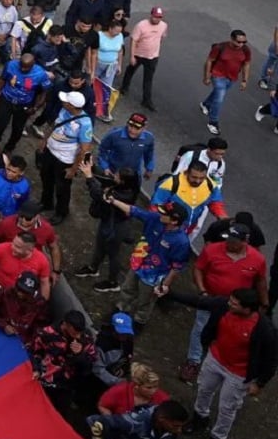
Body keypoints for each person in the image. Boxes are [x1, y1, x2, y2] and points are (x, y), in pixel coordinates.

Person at [171, 288, 277, 439]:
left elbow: (271, 360)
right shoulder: (223, 306)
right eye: (230, 301)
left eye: (234, 304)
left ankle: (218, 437)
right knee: (203, 390)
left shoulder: (265, 329)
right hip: (215, 359)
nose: (229, 304)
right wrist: (169, 292)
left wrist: (259, 383)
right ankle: (200, 418)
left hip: (239, 374)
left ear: (247, 309)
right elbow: (199, 302)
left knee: (227, 408)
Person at [178, 223, 270, 384]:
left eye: (234, 241)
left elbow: (260, 281)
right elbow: (198, 268)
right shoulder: (212, 249)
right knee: (200, 328)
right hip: (211, 299)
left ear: (245, 241)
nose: (229, 244)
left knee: (228, 332)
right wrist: (202, 291)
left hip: (236, 307)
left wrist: (264, 302)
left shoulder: (257, 259)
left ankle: (219, 363)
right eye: (229, 239)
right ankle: (193, 361)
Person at [107, 195, 192, 333]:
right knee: (127, 288)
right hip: (138, 263)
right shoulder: (155, 219)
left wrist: (165, 285)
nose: (160, 214)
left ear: (174, 221)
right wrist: (114, 201)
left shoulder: (181, 242)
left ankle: (139, 322)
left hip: (154, 276)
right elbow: (134, 211)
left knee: (145, 301)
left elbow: (177, 266)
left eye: (164, 214)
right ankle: (120, 310)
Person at [75, 159, 142, 293]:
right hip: (109, 221)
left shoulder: (123, 195)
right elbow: (106, 179)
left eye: (117, 176)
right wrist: (93, 168)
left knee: (113, 254)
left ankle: (113, 282)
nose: (114, 176)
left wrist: (89, 177)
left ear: (123, 181)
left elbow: (99, 195)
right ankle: (93, 268)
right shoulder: (126, 186)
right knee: (100, 245)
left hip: (116, 226)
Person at [37, 90, 92, 224]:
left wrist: (73, 169)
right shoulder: (63, 111)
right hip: (51, 151)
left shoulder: (85, 124)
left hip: (65, 159)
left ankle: (61, 212)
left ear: (72, 106)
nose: (63, 102)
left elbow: (85, 149)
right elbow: (53, 126)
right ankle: (46, 202)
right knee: (46, 177)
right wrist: (44, 141)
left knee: (62, 187)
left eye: (66, 101)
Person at [29, 310, 96, 413]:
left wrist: (80, 354)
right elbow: (35, 352)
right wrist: (36, 369)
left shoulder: (85, 339)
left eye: (79, 333)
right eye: (74, 333)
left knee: (59, 411)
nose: (77, 336)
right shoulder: (47, 333)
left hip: (67, 386)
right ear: (66, 325)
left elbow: (88, 368)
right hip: (45, 380)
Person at [201, 30, 251, 136]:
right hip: (218, 75)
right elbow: (209, 61)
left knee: (217, 93)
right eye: (238, 42)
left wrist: (244, 80)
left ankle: (205, 104)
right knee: (219, 99)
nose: (241, 44)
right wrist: (207, 77)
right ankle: (213, 122)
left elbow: (246, 64)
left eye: (244, 42)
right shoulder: (220, 47)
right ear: (231, 39)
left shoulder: (245, 50)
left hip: (232, 78)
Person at [0, 270, 50, 345]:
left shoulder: (39, 305)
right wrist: (3, 325)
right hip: (1, 334)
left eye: (25, 292)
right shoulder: (5, 293)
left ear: (33, 292)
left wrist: (32, 341)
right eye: (19, 289)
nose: (20, 293)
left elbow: (42, 325)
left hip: (23, 343)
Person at [121, 7, 168, 111]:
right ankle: (124, 87)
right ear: (151, 15)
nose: (157, 19)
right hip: (139, 54)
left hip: (153, 56)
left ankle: (146, 100)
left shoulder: (163, 25)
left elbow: (161, 38)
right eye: (156, 17)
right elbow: (134, 40)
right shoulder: (141, 25)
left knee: (148, 79)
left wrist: (156, 49)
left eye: (159, 17)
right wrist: (132, 56)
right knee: (130, 71)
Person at [0, 231, 53, 300]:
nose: (12, 247)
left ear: (29, 250)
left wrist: (42, 303)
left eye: (17, 247)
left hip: (21, 299)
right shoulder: (2, 248)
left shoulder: (42, 261)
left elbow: (44, 283)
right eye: (13, 243)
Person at [86, 400, 191, 439]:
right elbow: (94, 421)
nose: (179, 431)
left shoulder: (170, 430)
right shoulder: (135, 421)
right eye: (176, 426)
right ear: (162, 419)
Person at [96, 361, 169, 417]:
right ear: (137, 386)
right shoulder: (119, 391)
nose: (154, 391)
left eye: (156, 386)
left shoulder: (163, 399)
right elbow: (103, 405)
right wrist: (111, 421)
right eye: (149, 387)